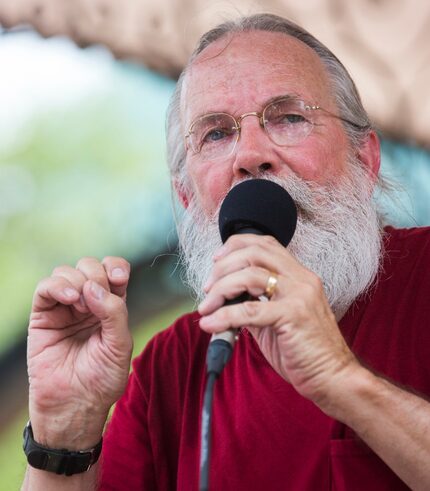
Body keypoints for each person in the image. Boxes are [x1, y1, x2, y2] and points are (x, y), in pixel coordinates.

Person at [21, 13, 430, 491]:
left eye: (289, 117)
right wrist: (64, 432)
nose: (250, 154)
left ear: (365, 161)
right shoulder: (170, 367)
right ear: (189, 198)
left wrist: (338, 377)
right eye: (216, 133)